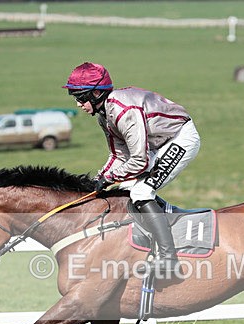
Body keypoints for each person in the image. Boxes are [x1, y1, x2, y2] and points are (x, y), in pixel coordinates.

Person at [63, 62, 201, 275]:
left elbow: (140, 161)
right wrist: (97, 180)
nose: (79, 104)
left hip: (180, 138)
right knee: (126, 189)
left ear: (97, 94)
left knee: (141, 191)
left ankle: (168, 258)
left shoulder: (123, 111)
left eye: (81, 97)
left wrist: (107, 179)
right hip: (156, 144)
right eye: (75, 98)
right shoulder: (105, 115)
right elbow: (119, 155)